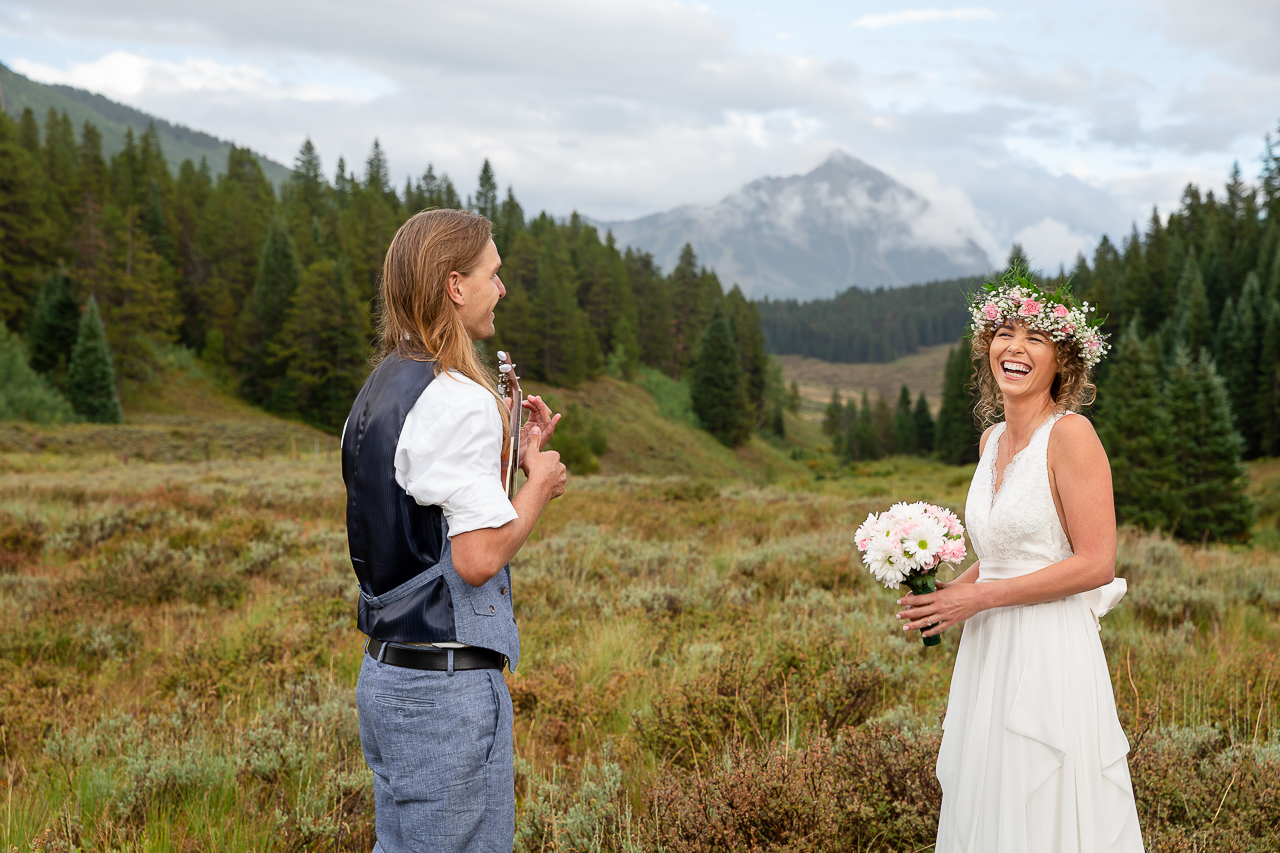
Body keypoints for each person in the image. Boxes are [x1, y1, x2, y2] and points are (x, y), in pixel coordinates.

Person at [341, 209, 567, 852]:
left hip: (385, 680)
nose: (503, 288)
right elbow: (475, 558)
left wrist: (509, 453)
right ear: (453, 285)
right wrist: (537, 487)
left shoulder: (377, 393)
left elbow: (422, 524)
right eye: (493, 275)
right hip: (447, 695)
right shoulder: (457, 398)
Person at [898, 266, 1144, 852]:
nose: (1016, 346)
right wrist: (949, 592)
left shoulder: (1072, 435)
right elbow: (1005, 552)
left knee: (1043, 795)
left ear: (1064, 363)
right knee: (989, 789)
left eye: (1037, 338)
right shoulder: (989, 441)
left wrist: (976, 598)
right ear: (989, 349)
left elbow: (1096, 563)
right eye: (1005, 332)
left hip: (1048, 646)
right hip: (990, 648)